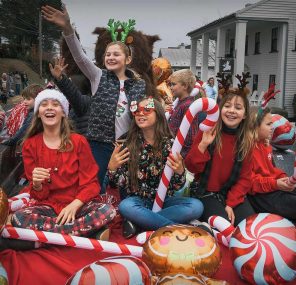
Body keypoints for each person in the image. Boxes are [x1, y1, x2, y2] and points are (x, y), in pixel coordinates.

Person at [42, 5, 146, 192]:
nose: (110, 57)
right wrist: (68, 29)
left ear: (128, 60)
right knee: (94, 187)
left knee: (124, 189)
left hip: (125, 146)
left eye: (116, 54)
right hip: (98, 144)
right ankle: (95, 219)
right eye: (107, 54)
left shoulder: (139, 85)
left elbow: (143, 112)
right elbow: (80, 57)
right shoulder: (98, 76)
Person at [4, 89, 116, 251]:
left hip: (78, 206)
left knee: (107, 210)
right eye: (44, 104)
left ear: (63, 112)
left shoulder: (79, 142)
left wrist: (74, 205)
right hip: (49, 207)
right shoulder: (30, 145)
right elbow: (39, 196)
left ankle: (41, 240)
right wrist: (36, 184)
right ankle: (81, 235)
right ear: (38, 113)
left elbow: (92, 184)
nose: (49, 108)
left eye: (55, 104)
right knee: (20, 217)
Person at [108, 97, 204, 238]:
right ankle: (176, 229)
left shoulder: (171, 145)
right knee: (126, 207)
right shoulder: (127, 144)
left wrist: (180, 172)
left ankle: (142, 223)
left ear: (158, 114)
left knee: (196, 206)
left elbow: (177, 186)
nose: (141, 114)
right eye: (136, 111)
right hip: (137, 202)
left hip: (165, 201)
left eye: (147, 110)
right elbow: (119, 184)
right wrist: (112, 169)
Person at [185, 84, 256, 226]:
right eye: (227, 106)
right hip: (206, 192)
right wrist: (203, 145)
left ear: (245, 114)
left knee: (249, 226)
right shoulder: (208, 130)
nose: (231, 111)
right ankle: (202, 225)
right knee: (224, 226)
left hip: (233, 193)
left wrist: (230, 203)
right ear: (220, 109)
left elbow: (245, 179)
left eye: (238, 107)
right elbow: (191, 167)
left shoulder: (246, 141)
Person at [247, 106, 296, 224]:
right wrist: (276, 184)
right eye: (268, 124)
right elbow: (250, 183)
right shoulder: (246, 150)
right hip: (260, 196)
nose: (273, 127)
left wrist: (283, 178)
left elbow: (272, 169)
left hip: (272, 188)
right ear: (254, 126)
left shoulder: (265, 145)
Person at [168, 69, 206, 158]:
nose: (170, 87)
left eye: (173, 84)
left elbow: (190, 136)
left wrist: (183, 156)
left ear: (185, 86)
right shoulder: (180, 103)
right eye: (170, 84)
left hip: (180, 154)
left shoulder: (187, 106)